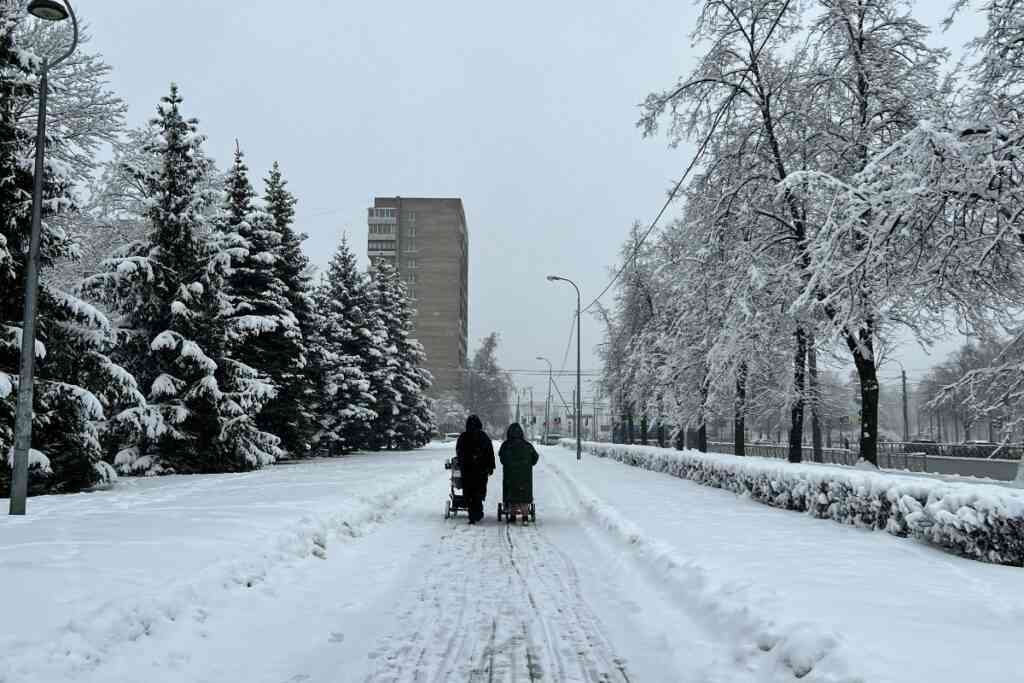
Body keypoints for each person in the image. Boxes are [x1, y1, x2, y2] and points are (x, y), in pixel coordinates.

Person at [456, 415, 495, 524]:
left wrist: (461, 462)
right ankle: (478, 511)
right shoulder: (483, 437)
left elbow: (459, 452)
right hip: (481, 470)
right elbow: (490, 453)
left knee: (469, 492)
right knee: (479, 491)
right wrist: (491, 466)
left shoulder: (463, 437)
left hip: (467, 469)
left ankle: (472, 514)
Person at [499, 422, 539, 525]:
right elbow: (535, 458)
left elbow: (502, 459)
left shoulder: (506, 445)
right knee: (524, 496)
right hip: (525, 477)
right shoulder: (528, 446)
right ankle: (525, 516)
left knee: (512, 495)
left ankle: (513, 515)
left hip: (510, 476)